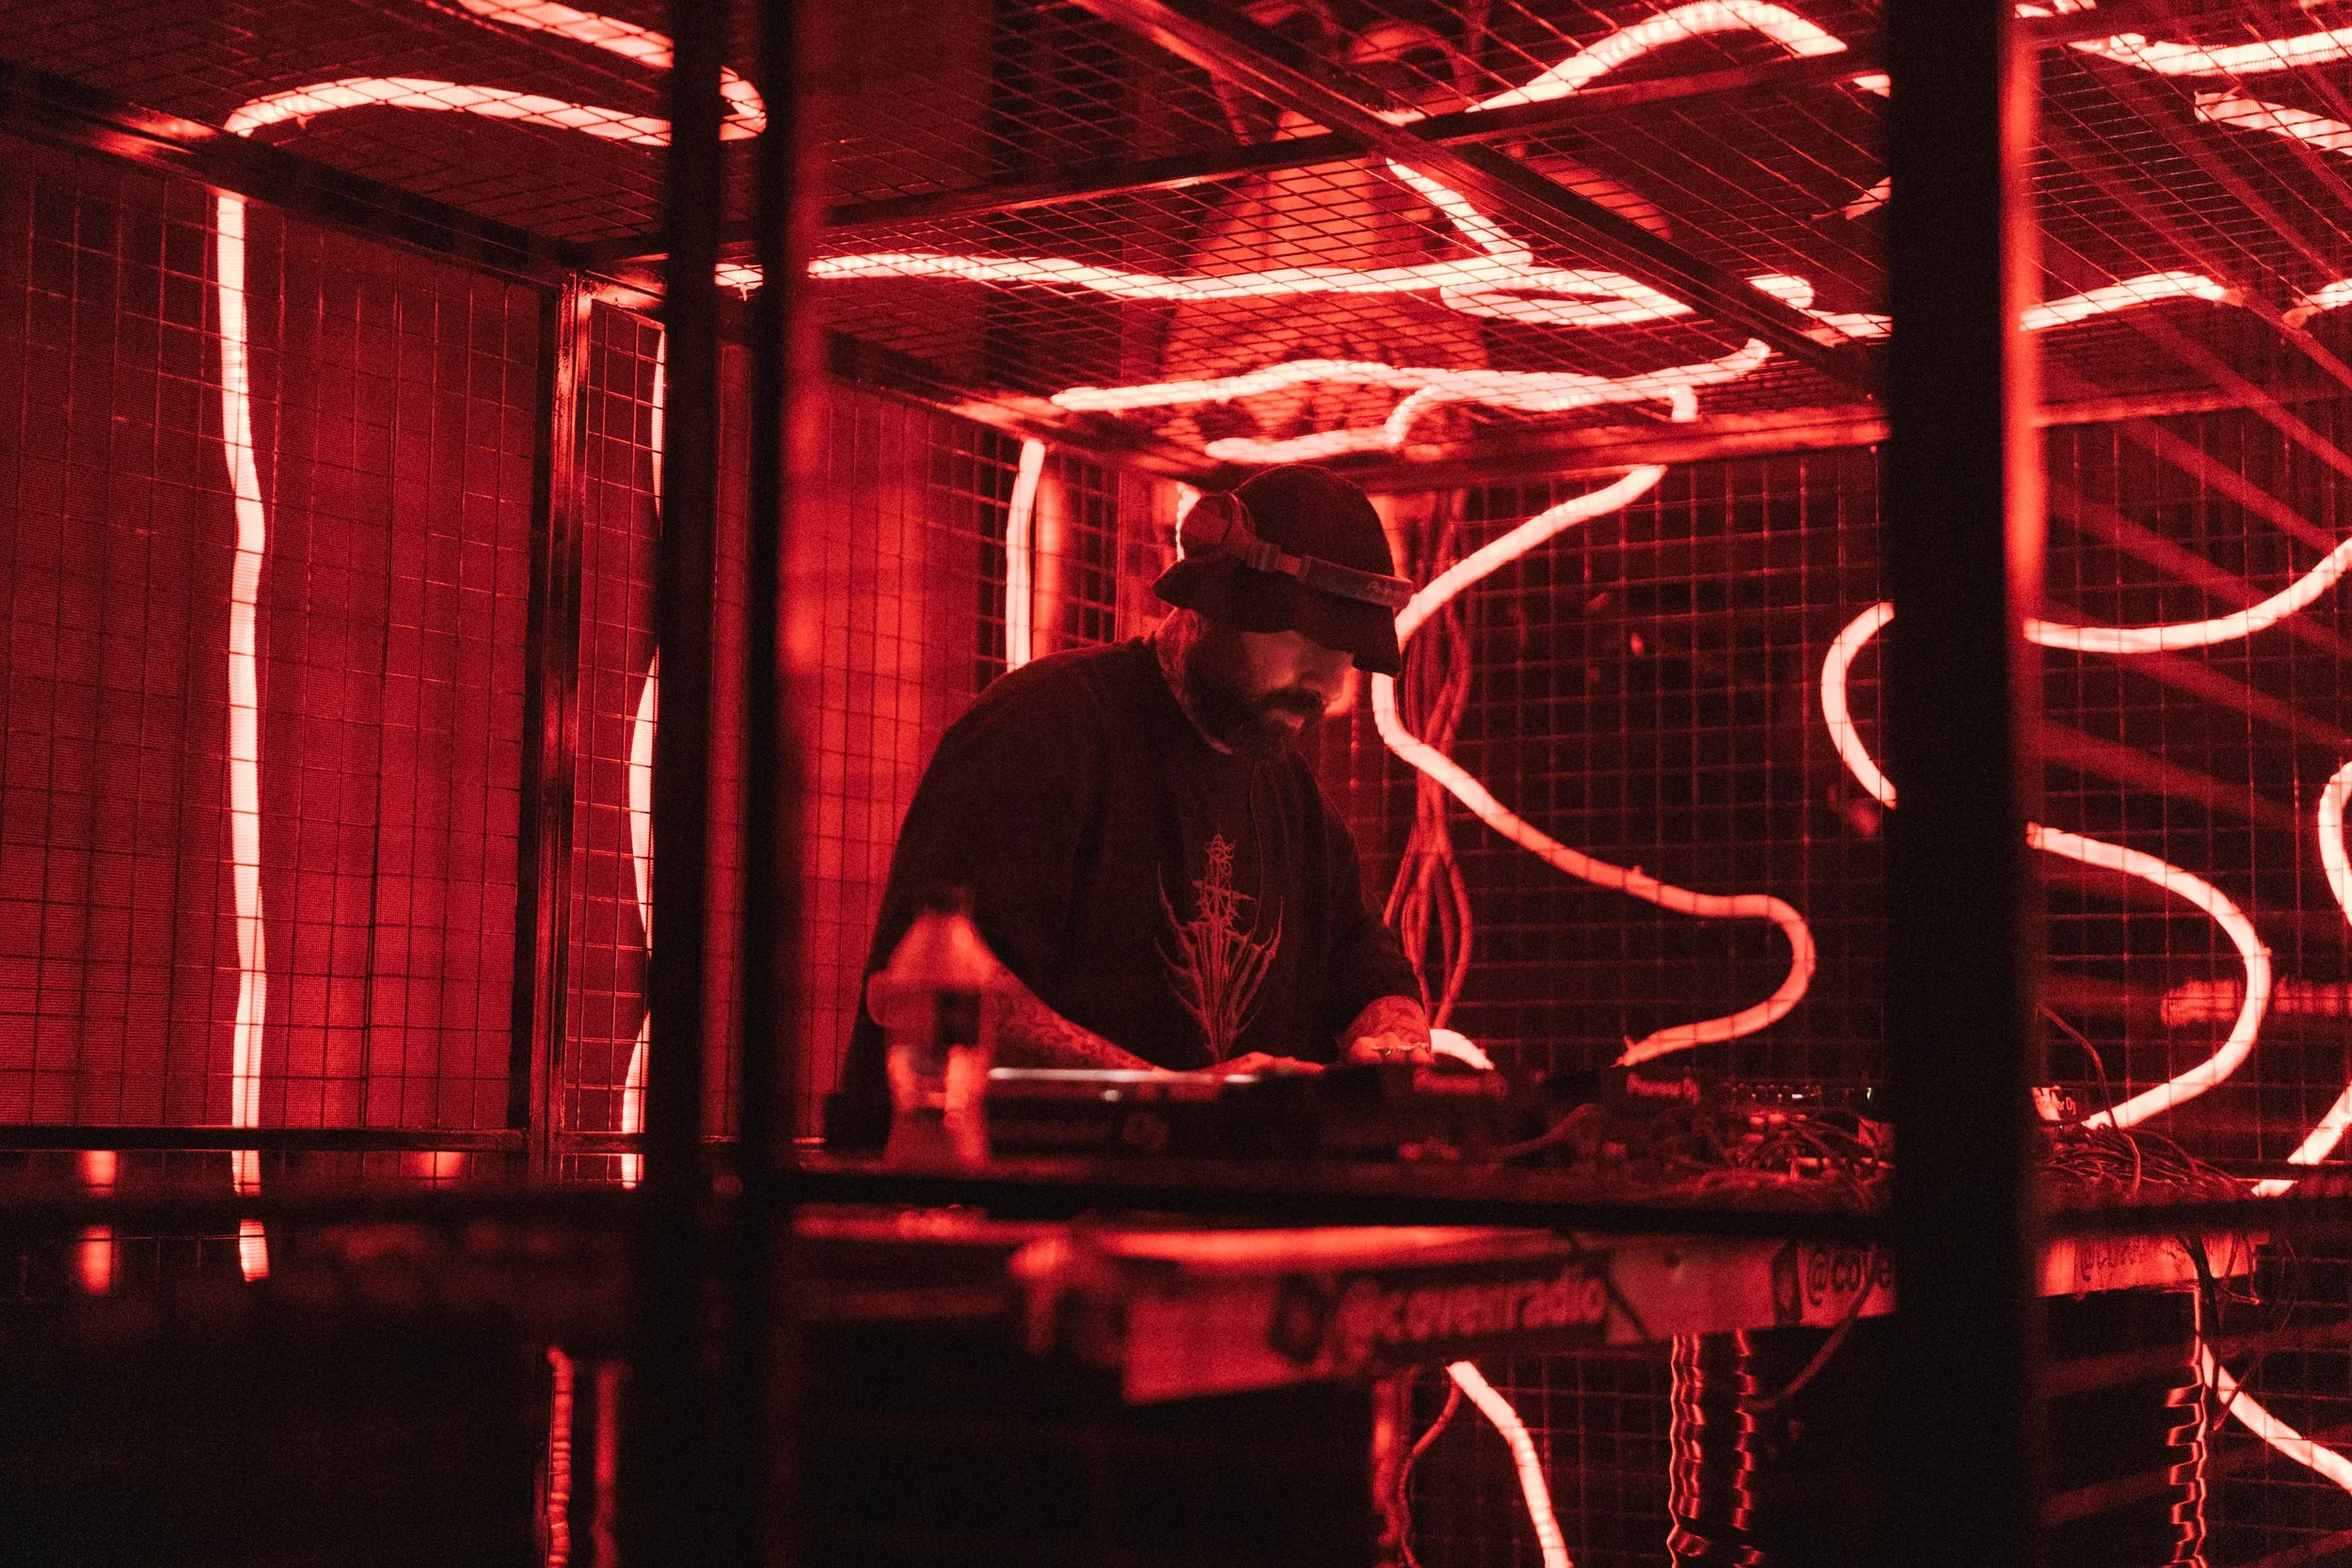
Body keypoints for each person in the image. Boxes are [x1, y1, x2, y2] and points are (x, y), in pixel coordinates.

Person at [832, 464, 1436, 1137]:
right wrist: (1171, 1098)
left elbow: (1373, 980)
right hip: (984, 1209)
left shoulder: (1302, 811)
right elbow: (946, 996)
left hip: (1184, 1227)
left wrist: (1391, 1051)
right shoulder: (1045, 728)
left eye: (1347, 650)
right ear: (1215, 600)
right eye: (1307, 638)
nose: (1328, 679)